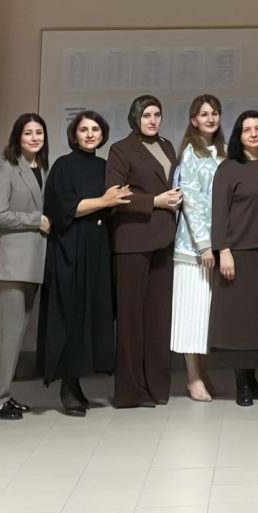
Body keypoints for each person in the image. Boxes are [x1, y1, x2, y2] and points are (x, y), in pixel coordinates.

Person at [41, 111, 126, 416]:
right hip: (71, 247)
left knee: (94, 313)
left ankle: (78, 382)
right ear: (74, 135)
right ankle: (68, 385)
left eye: (95, 129)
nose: (90, 134)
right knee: (72, 314)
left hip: (99, 248)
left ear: (103, 134)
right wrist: (104, 201)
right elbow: (64, 208)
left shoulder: (106, 168)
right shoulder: (63, 166)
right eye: (83, 130)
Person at [105, 94, 183, 408]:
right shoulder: (121, 149)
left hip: (164, 239)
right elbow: (114, 195)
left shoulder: (167, 146)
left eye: (157, 114)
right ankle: (131, 392)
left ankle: (157, 387)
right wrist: (155, 201)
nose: (152, 120)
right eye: (147, 115)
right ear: (135, 117)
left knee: (159, 318)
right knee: (130, 320)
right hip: (132, 242)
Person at [212, 111, 258, 406]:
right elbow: (219, 213)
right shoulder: (228, 168)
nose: (253, 134)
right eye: (246, 130)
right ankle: (241, 383)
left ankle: (253, 379)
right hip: (238, 254)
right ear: (238, 136)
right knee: (239, 323)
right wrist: (224, 250)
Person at [0, 113, 49, 419]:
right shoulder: (6, 169)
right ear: (17, 137)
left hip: (33, 264)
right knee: (6, 337)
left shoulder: (44, 169)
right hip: (9, 266)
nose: (34, 138)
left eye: (39, 133)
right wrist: (36, 219)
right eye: (28, 133)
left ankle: (4, 395)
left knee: (17, 336)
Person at [172, 95, 226, 402]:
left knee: (206, 316)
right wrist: (205, 246)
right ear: (193, 120)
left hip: (217, 248)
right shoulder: (190, 153)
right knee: (191, 314)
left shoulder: (224, 152)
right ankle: (192, 377)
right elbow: (191, 203)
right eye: (204, 114)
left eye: (215, 113)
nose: (210, 118)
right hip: (193, 250)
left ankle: (202, 373)